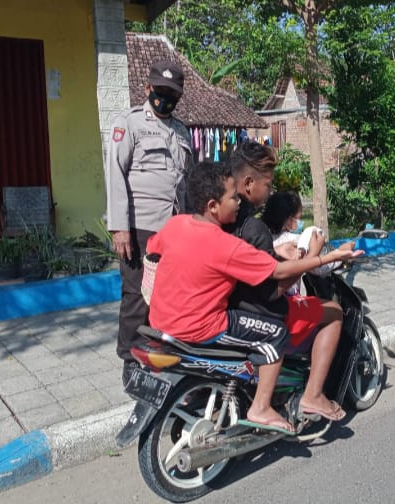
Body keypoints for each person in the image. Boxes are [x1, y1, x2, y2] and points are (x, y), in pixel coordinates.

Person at [146, 161, 362, 434]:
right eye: (233, 197)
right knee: (275, 334)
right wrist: (326, 256)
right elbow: (280, 272)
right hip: (202, 326)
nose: (239, 202)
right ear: (213, 206)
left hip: (161, 321)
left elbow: (152, 251)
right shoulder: (227, 245)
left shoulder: (176, 225)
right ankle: (262, 407)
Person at [226, 143, 348, 422]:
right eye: (267, 184)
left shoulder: (222, 219)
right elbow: (273, 291)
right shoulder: (254, 228)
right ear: (247, 183)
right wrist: (313, 255)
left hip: (231, 307)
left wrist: (277, 254)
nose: (270, 192)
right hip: (260, 312)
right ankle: (314, 395)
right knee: (334, 312)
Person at [104, 60, 193, 386]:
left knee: (167, 295)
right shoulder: (128, 123)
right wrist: (120, 227)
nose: (165, 98)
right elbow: (115, 174)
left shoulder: (181, 131)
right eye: (160, 91)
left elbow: (186, 181)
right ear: (147, 89)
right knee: (135, 295)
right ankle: (130, 360)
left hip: (174, 228)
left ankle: (157, 353)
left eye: (172, 94)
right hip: (140, 225)